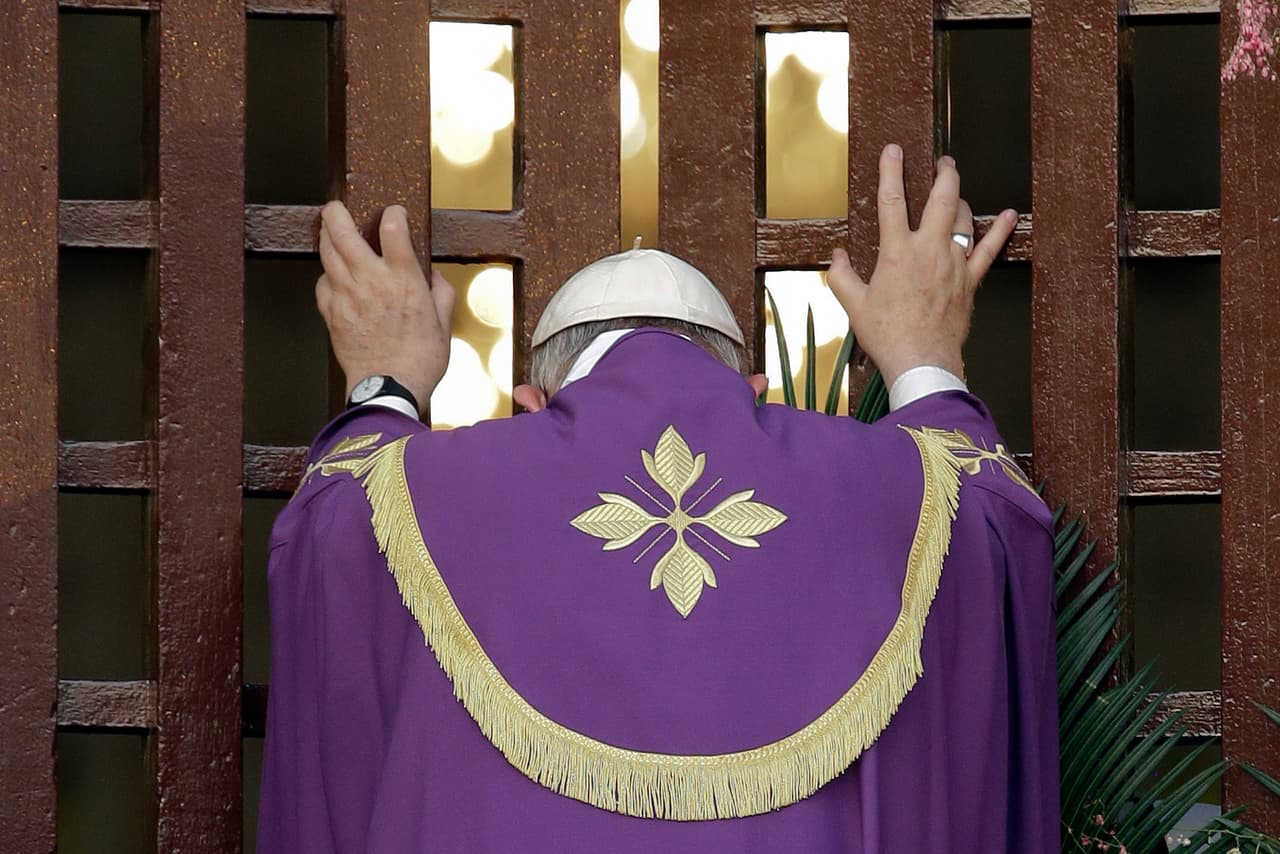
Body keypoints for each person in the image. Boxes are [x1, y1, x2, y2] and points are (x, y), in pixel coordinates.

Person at [257, 145, 1057, 852]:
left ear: (533, 401)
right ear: (753, 388)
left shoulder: (415, 494)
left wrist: (385, 381)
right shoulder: (895, 494)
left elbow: (332, 536)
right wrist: (925, 354)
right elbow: (988, 527)